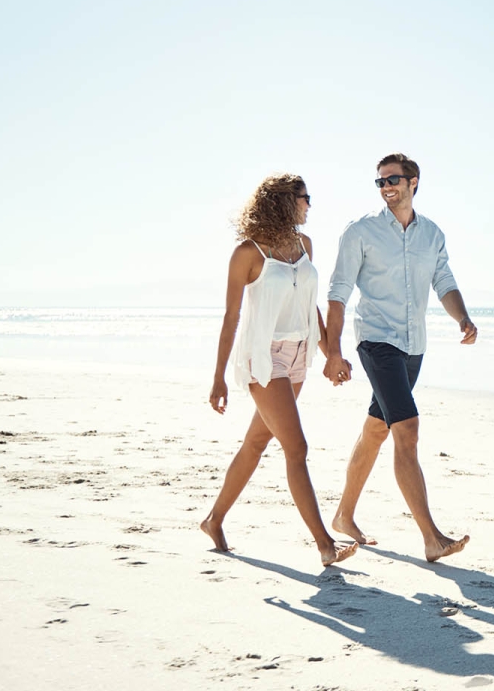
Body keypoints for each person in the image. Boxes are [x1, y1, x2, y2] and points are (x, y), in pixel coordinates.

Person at [323, 153, 475, 563]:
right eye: (380, 182)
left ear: (414, 182)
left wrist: (462, 317)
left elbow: (444, 281)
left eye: (393, 179)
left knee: (377, 429)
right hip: (376, 340)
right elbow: (338, 291)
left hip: (414, 346)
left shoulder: (431, 234)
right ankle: (431, 537)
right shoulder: (362, 231)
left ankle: (343, 515)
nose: (386, 187)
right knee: (406, 429)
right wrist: (332, 351)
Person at [200, 173, 357, 566]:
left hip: (300, 355)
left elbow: (311, 306)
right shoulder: (248, 253)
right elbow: (231, 317)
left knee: (256, 443)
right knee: (297, 448)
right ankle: (324, 543)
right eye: (305, 198)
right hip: (264, 360)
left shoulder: (305, 245)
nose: (309, 205)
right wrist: (219, 376)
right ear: (285, 201)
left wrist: (331, 353)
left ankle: (214, 520)